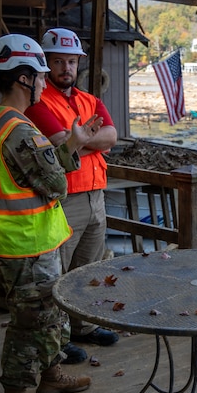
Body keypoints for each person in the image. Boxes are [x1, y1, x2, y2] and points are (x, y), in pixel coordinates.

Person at [0, 34, 102, 393]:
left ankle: (51, 376)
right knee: (30, 322)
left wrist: (75, 143)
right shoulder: (19, 129)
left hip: (22, 241)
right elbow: (57, 183)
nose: (45, 83)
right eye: (41, 76)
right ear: (23, 79)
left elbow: (46, 171)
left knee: (49, 315)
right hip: (24, 245)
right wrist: (74, 152)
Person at [25, 27, 119, 364]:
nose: (67, 68)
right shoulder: (37, 101)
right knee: (58, 272)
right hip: (64, 198)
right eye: (59, 61)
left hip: (96, 195)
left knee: (88, 269)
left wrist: (79, 139)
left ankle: (82, 327)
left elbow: (111, 136)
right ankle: (57, 338)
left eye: (72, 61)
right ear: (46, 64)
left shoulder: (89, 100)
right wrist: (79, 138)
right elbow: (58, 137)